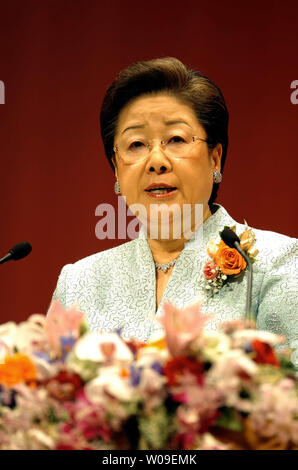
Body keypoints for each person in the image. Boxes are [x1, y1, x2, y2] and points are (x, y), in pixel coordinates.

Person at [51, 57, 298, 367]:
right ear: (116, 169)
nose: (157, 161)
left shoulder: (276, 264)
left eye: (177, 139)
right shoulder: (80, 281)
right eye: (136, 144)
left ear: (215, 159)